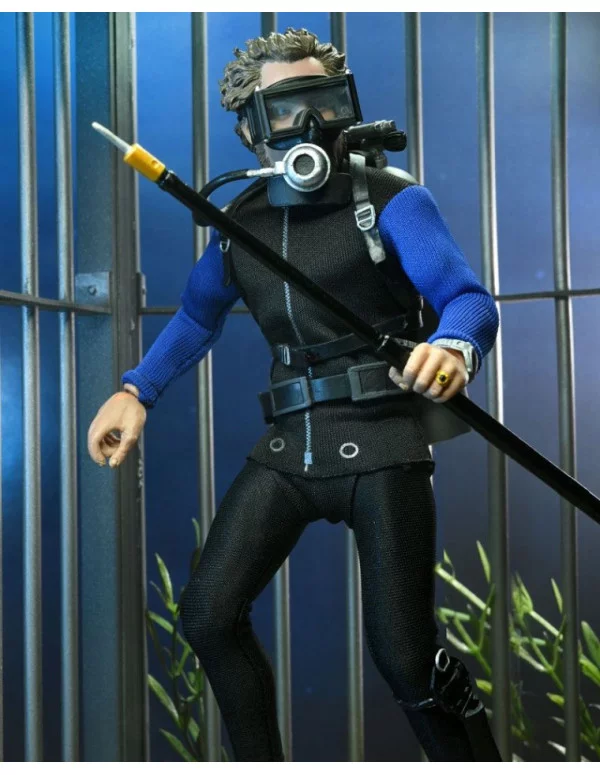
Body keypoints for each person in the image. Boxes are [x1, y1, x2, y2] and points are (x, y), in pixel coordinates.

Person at [87, 28, 502, 762]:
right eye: (285, 110)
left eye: (325, 103)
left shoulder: (390, 199)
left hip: (384, 442)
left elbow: (466, 298)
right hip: (290, 447)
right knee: (208, 614)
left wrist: (454, 347)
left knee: (406, 657)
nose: (310, 124)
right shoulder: (239, 222)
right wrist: (136, 390)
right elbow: (197, 316)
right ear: (250, 130)